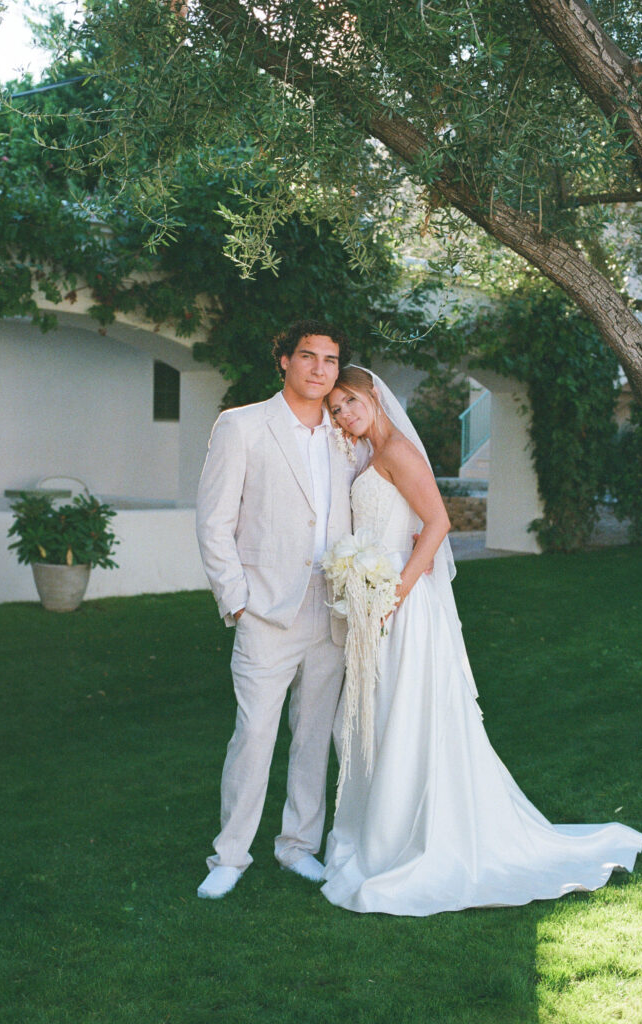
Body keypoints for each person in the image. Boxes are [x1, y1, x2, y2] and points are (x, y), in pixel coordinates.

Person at [320, 366, 642, 915]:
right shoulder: (367, 455)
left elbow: (439, 523)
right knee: (379, 709)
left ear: (373, 395)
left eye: (350, 401)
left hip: (401, 601)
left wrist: (393, 595)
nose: (345, 415)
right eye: (336, 410)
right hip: (379, 593)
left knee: (407, 711)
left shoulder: (397, 450)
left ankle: (413, 837)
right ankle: (382, 831)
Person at [195, 321, 364, 899]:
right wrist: (236, 601)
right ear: (284, 362)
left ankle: (298, 847)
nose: (321, 369)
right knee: (255, 734)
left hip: (333, 607)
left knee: (314, 734)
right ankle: (230, 856)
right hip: (265, 610)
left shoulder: (347, 433)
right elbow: (214, 521)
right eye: (309, 357)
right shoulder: (242, 426)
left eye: (331, 360)